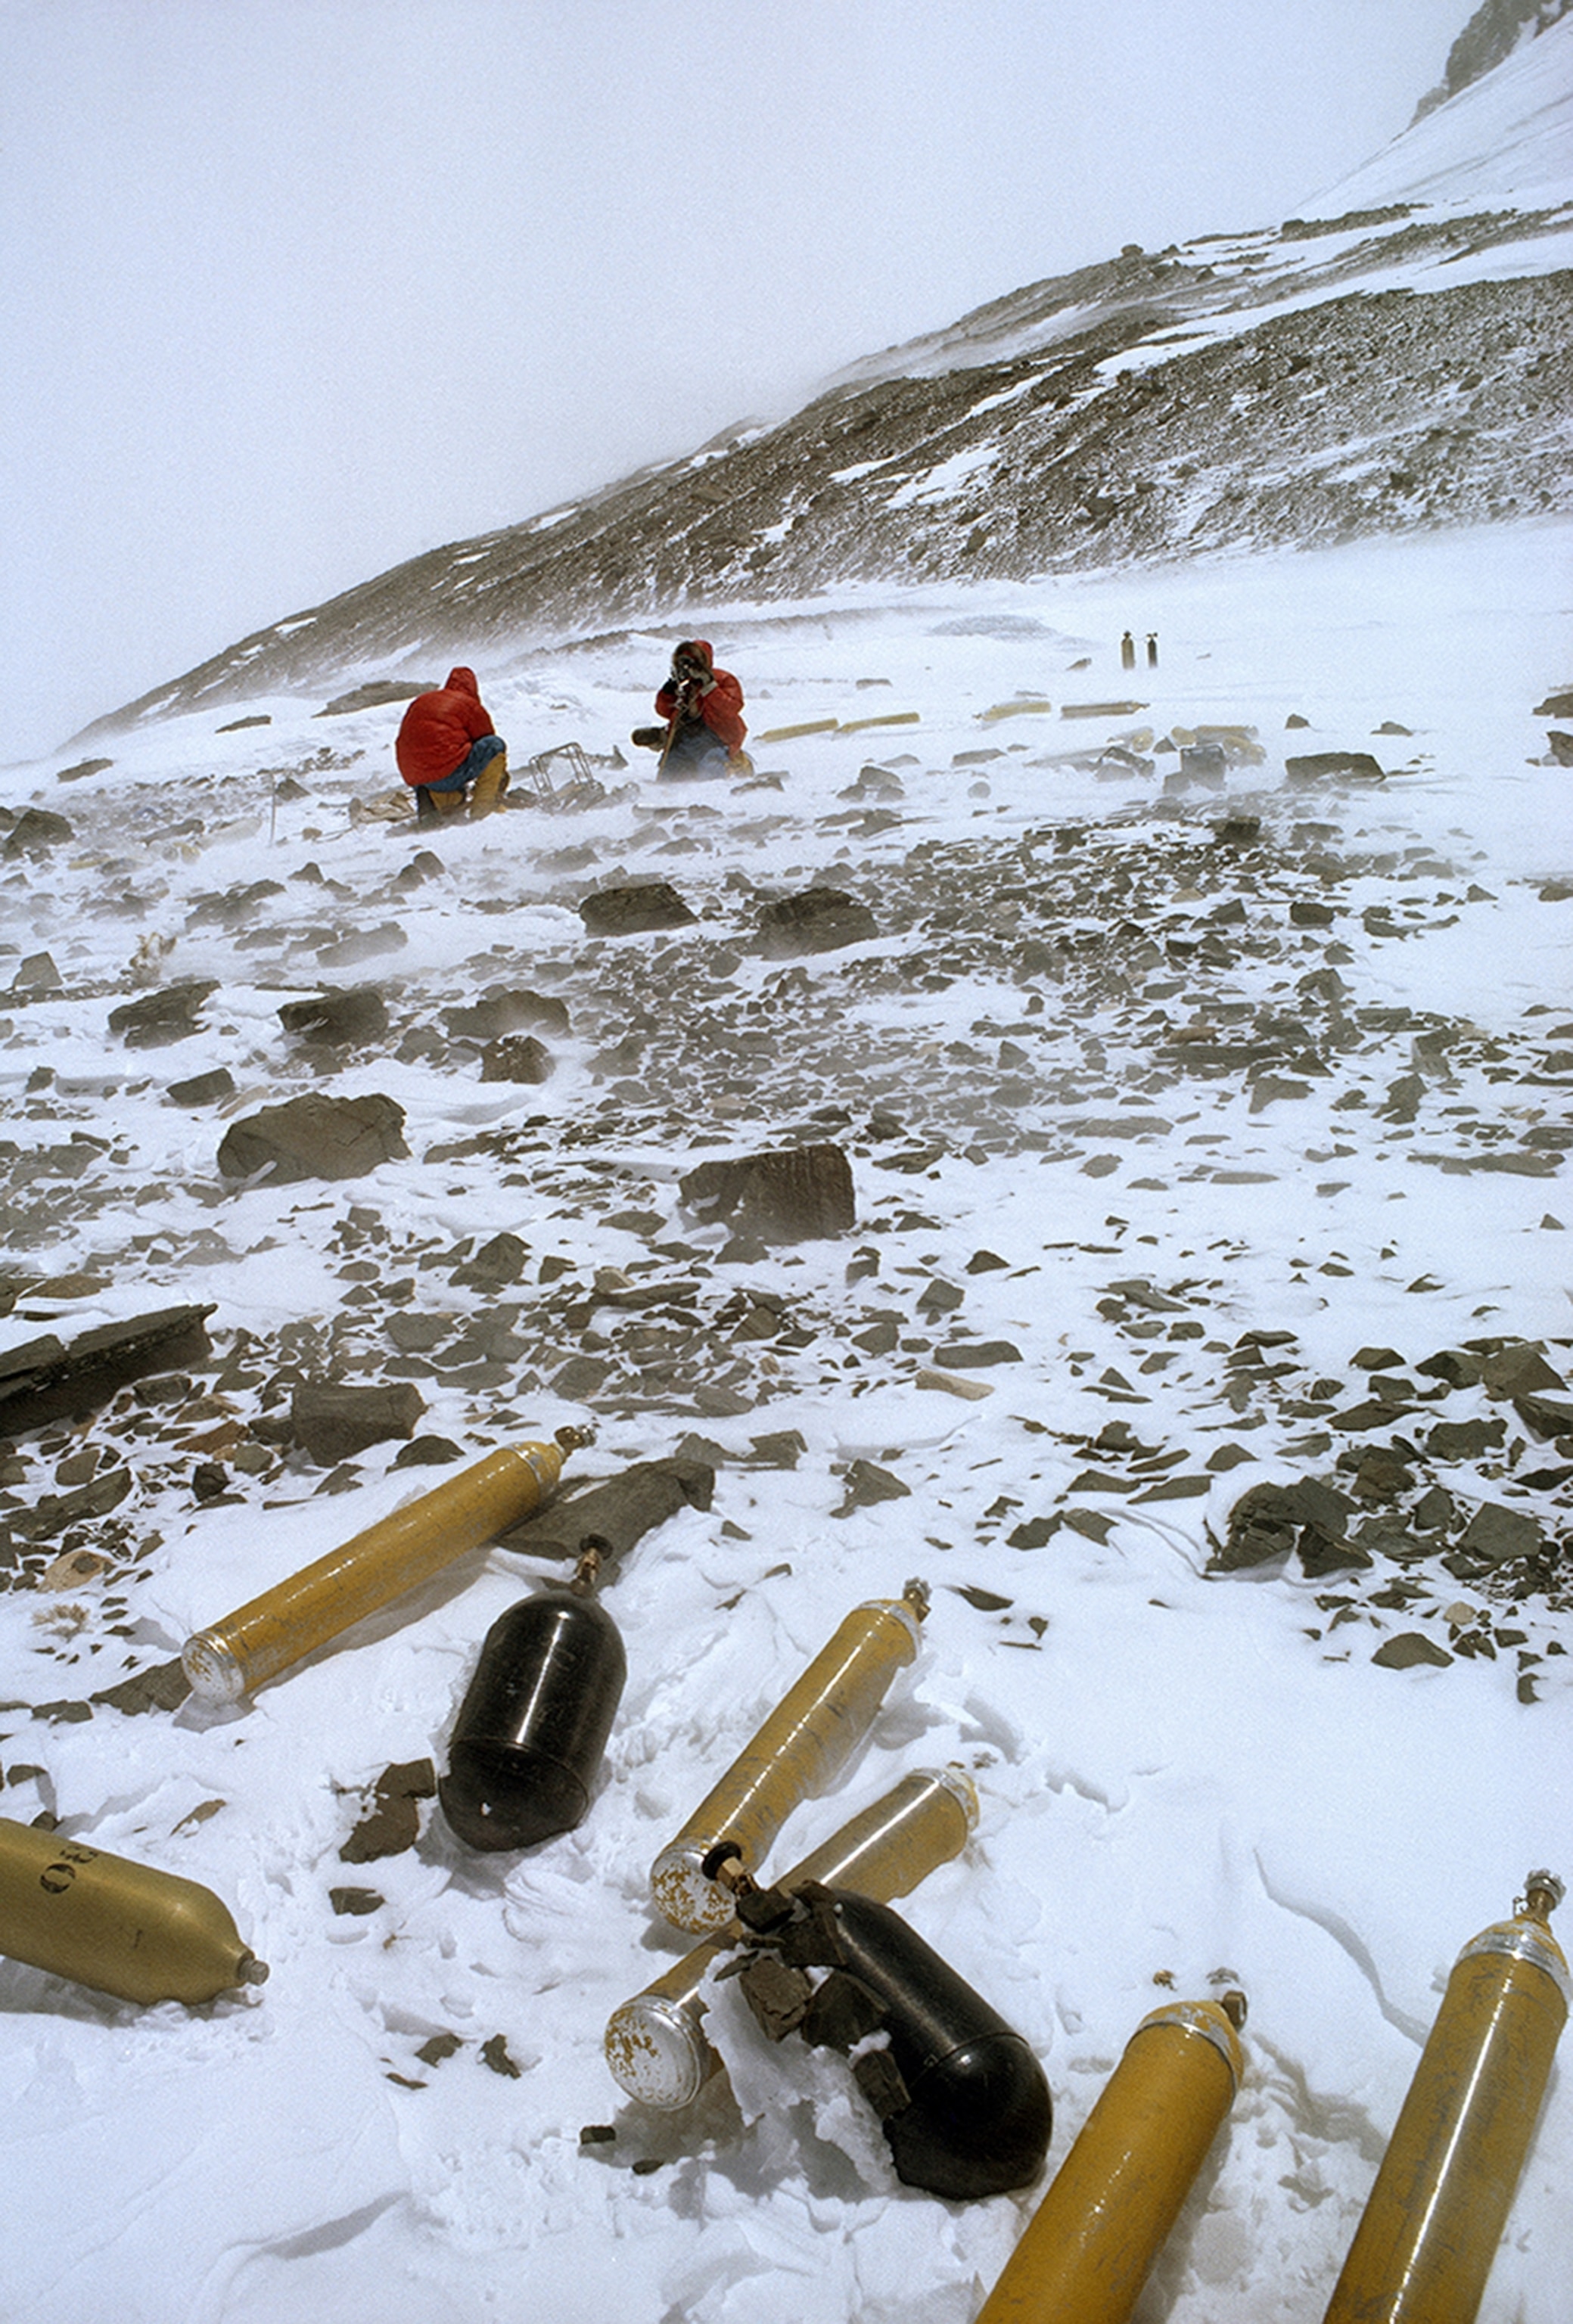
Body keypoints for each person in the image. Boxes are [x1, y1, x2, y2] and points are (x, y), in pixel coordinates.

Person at [395, 667, 509, 819]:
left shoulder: (425, 699)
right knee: (494, 745)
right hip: (445, 775)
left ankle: (434, 800)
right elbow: (486, 738)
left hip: (414, 775)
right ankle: (483, 808)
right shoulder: (468, 704)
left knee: (442, 761)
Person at [632, 639, 748, 776]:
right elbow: (665, 711)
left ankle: (728, 775)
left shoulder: (723, 680)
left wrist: (710, 687)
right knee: (671, 771)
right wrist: (668, 692)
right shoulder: (686, 687)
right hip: (686, 739)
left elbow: (731, 708)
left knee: (711, 769)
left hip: (717, 738)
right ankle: (665, 738)